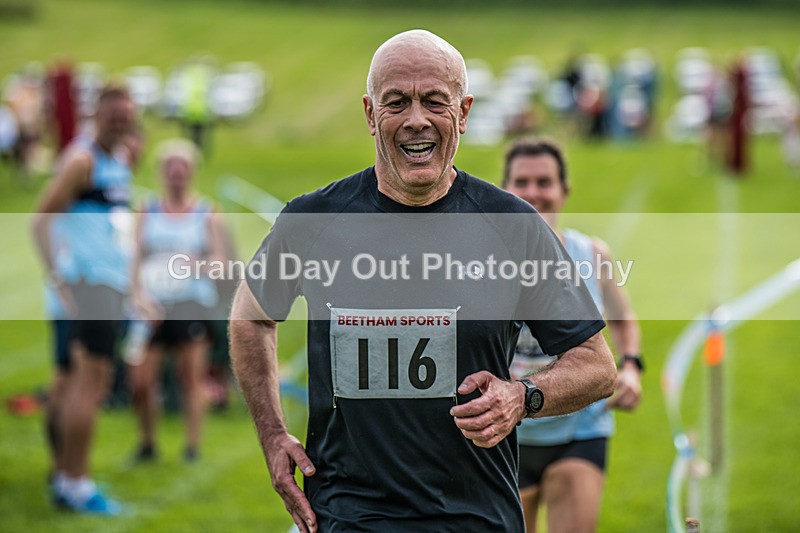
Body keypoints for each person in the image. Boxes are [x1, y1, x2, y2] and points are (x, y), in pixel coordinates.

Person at [229, 30, 617, 533]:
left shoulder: (513, 226)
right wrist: (273, 434)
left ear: (465, 111)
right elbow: (250, 316)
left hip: (476, 517)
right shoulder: (314, 220)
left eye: (435, 101)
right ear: (370, 114)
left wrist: (522, 396)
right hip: (349, 515)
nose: (417, 119)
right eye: (397, 102)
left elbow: (597, 365)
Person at [502, 138, 643, 533]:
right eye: (522, 182)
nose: (533, 192)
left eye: (544, 182)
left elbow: (622, 316)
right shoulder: (483, 264)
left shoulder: (593, 254)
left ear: (564, 191)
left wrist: (631, 366)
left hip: (580, 428)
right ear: (503, 191)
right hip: (505, 433)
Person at [31, 84, 135, 515]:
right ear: (96, 114)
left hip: (105, 285)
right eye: (112, 114)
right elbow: (40, 220)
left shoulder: (118, 159)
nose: (120, 121)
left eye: (125, 115)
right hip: (89, 285)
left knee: (74, 384)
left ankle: (65, 477)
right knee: (87, 388)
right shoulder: (83, 160)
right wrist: (59, 278)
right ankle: (77, 483)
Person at [128, 139, 225, 462]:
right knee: (141, 381)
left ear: (192, 173)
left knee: (190, 378)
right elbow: (133, 258)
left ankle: (193, 447)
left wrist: (196, 264)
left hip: (190, 302)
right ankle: (147, 444)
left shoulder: (205, 213)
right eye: (171, 169)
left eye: (183, 169)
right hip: (152, 305)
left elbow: (221, 264)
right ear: (162, 172)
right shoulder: (147, 209)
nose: (177, 175)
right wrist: (138, 296)